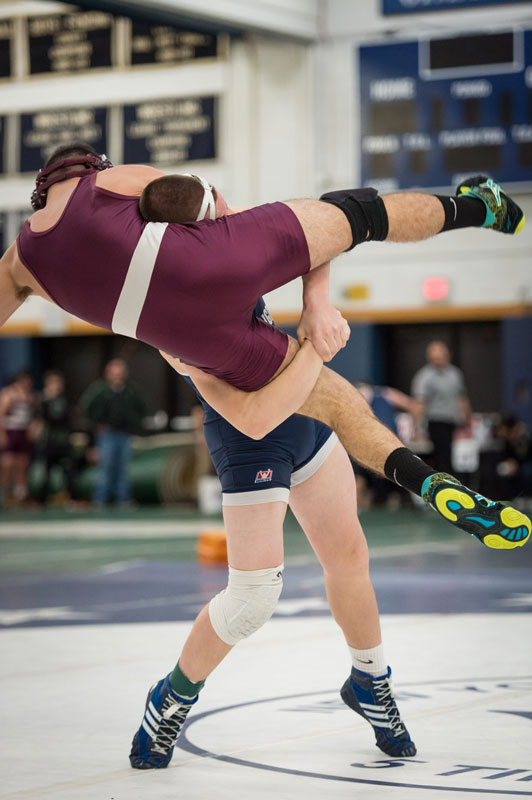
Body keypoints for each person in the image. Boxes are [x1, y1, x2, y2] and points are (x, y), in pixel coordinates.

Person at [0, 142, 529, 550]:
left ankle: (430, 483)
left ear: (42, 191)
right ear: (87, 169)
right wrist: (316, 300)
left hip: (183, 335)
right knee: (352, 212)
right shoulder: (110, 181)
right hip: (208, 261)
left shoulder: (17, 263)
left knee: (338, 408)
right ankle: (479, 207)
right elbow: (222, 208)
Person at [129, 186, 415, 769]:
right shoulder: (167, 321)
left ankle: (370, 680)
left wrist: (316, 303)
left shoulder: (225, 239)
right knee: (253, 597)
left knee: (349, 556)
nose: (231, 221)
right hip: (249, 432)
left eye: (223, 211)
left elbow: (322, 224)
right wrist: (313, 350)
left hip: (306, 413)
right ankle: (171, 697)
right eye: (217, 216)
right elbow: (252, 414)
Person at [80, 358, 146, 506]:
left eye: (120, 372)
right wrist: (97, 428)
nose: (118, 376)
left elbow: (141, 410)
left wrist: (134, 425)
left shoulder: (131, 391)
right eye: (115, 372)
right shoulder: (100, 390)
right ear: (108, 373)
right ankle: (101, 499)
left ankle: (123, 499)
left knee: (123, 469)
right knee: (105, 469)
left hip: (124, 434)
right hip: (106, 435)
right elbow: (87, 409)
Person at [412, 341, 471, 475]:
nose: (437, 360)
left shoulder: (455, 374)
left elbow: (462, 398)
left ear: (447, 355)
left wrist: (468, 421)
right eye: (434, 357)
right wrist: (416, 428)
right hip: (436, 421)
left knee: (454, 458)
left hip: (454, 422)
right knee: (441, 459)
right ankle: (443, 486)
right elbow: (420, 403)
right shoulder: (424, 376)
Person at [36, 369, 76, 504]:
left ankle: (69, 497)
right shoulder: (42, 400)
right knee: (46, 472)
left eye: (58, 383)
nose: (56, 386)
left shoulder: (65, 400)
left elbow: (68, 418)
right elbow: (41, 418)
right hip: (49, 442)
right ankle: (42, 500)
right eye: (52, 383)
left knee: (67, 470)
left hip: (63, 442)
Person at [0, 371, 38, 506]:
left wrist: (33, 427)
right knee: (8, 463)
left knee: (23, 463)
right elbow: (1, 414)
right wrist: (2, 434)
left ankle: (20, 494)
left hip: (23, 431)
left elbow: (34, 415)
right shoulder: (8, 394)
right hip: (11, 430)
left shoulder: (30, 396)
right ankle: (4, 492)